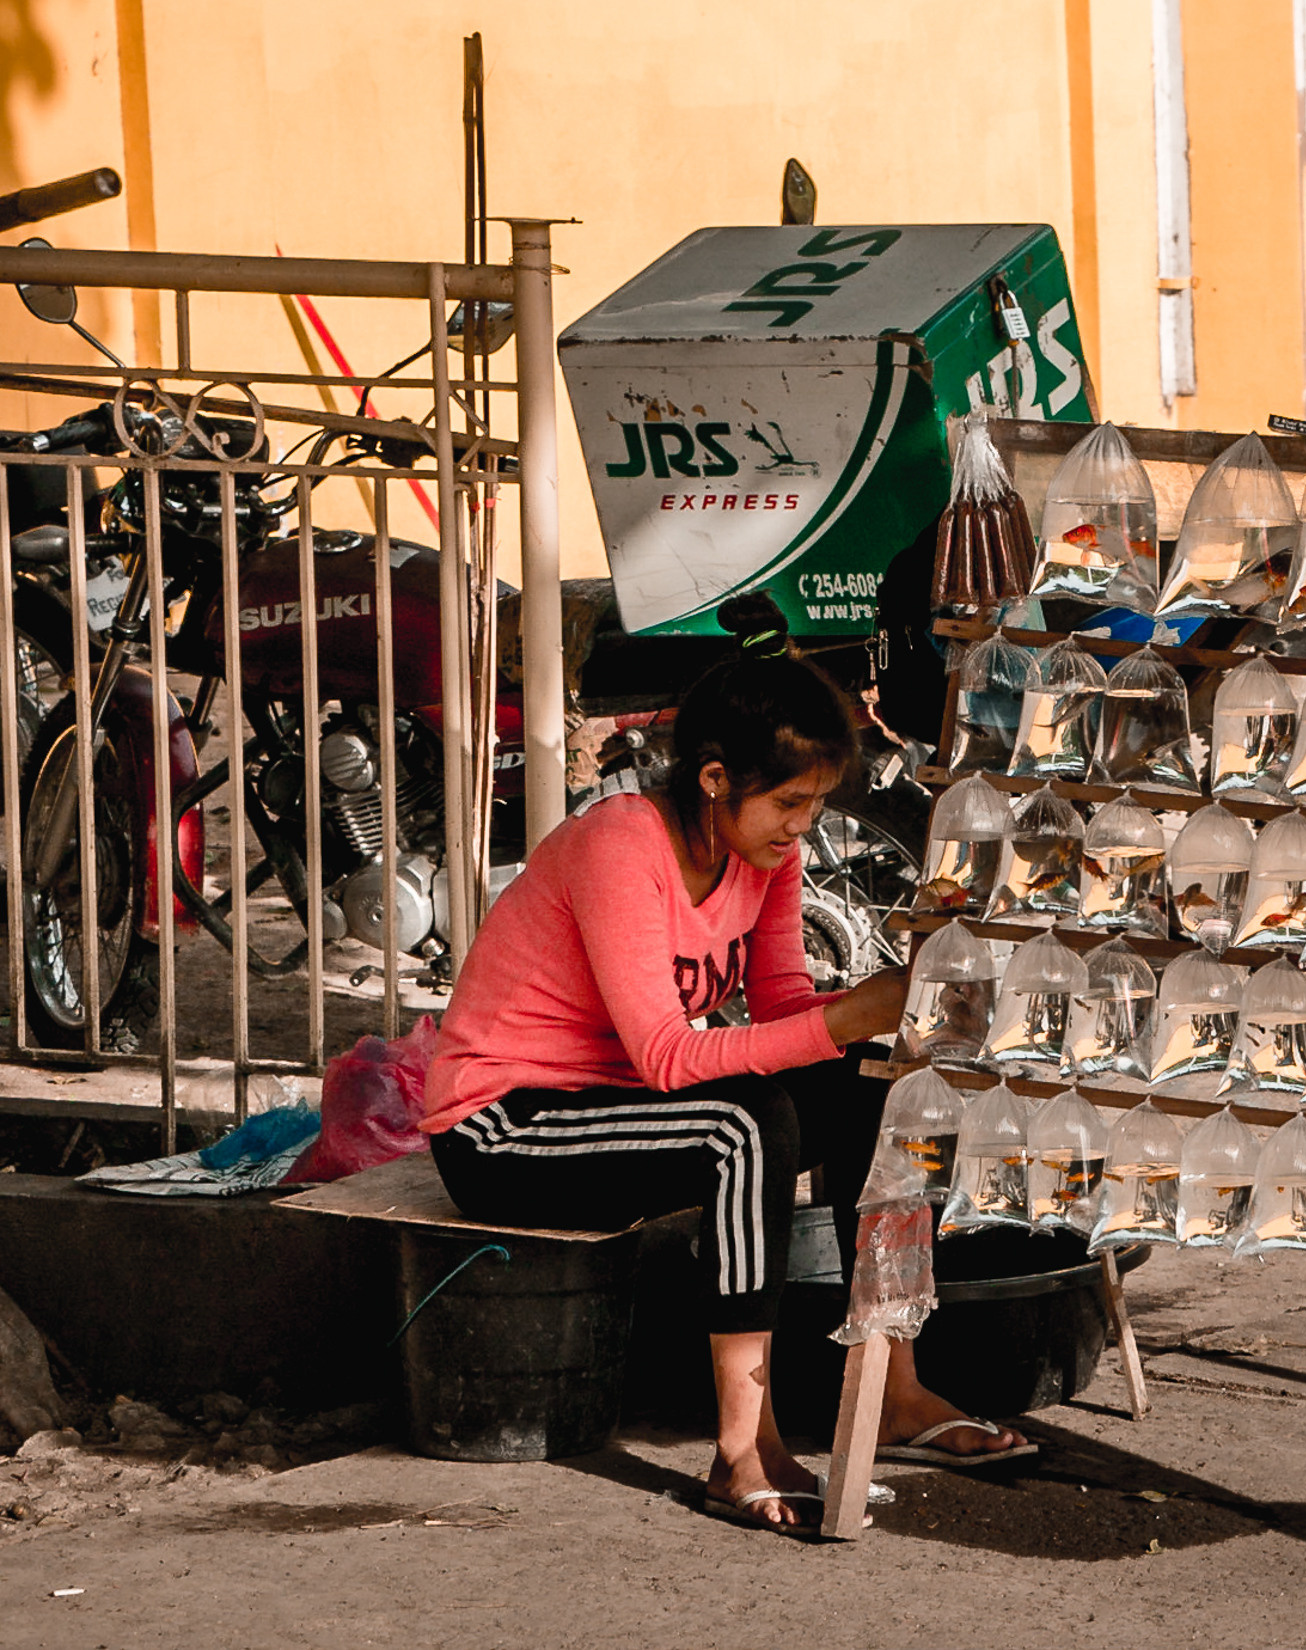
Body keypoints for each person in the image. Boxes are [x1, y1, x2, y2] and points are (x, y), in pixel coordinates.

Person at [420, 594, 1027, 1538]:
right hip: (505, 1125)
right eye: (788, 803)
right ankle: (745, 1444)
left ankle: (894, 1386)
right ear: (713, 779)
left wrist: (890, 1004)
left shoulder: (764, 855)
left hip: (626, 1106)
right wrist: (853, 1014)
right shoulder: (622, 845)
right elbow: (668, 1057)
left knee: (879, 1091)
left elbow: (786, 1014)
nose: (801, 827)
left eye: (815, 805)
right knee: (743, 1124)